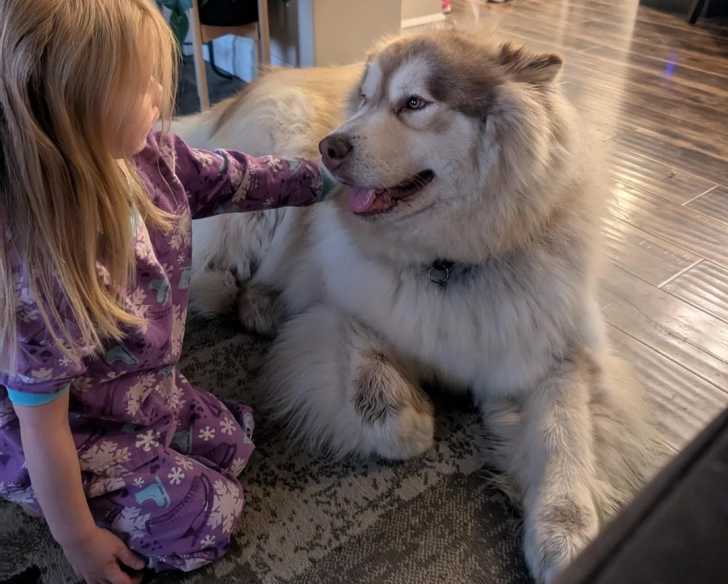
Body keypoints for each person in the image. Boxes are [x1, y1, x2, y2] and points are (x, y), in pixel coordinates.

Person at [0, 1, 337, 582]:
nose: (161, 95)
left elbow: (238, 177)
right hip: (78, 438)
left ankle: (150, 446)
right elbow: (43, 429)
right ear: (76, 111)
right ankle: (49, 496)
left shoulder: (151, 158)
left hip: (144, 390)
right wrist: (78, 538)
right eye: (141, 85)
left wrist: (325, 180)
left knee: (235, 440)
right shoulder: (44, 278)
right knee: (211, 520)